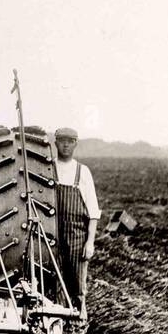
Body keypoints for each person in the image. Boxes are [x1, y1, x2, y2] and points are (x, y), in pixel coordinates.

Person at [53, 127, 100, 323]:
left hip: (76, 234)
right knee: (54, 279)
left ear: (75, 144)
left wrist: (90, 243)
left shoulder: (82, 172)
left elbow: (93, 212)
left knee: (77, 282)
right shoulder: (48, 168)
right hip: (52, 231)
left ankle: (78, 323)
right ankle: (55, 321)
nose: (65, 144)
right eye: (62, 140)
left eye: (70, 141)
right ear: (55, 142)